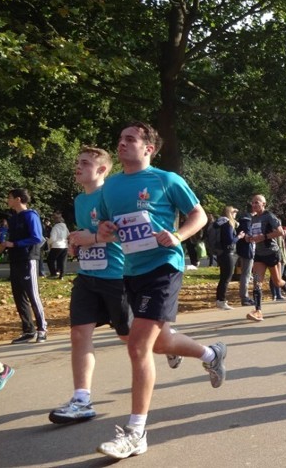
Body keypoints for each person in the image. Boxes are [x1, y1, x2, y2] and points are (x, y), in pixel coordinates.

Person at [95, 121, 226, 459]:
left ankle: (136, 433)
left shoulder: (166, 180)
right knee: (158, 342)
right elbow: (107, 226)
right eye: (120, 139)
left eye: (130, 139)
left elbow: (199, 215)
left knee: (138, 345)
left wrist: (178, 236)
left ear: (148, 148)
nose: (122, 143)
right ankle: (211, 355)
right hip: (131, 270)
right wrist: (105, 229)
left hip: (164, 267)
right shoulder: (111, 186)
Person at [48, 146, 183, 425]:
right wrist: (77, 244)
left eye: (85, 163)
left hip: (116, 275)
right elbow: (88, 233)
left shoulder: (112, 193)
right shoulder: (79, 200)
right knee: (79, 333)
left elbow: (123, 232)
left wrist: (94, 238)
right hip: (88, 275)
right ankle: (81, 399)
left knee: (130, 337)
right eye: (77, 162)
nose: (78, 167)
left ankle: (167, 343)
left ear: (102, 170)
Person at [0, 188, 47, 344]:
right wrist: (3, 246)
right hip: (15, 260)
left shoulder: (30, 215)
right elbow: (11, 240)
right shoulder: (13, 218)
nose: (8, 200)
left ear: (18, 199)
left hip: (28, 259)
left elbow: (37, 237)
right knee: (19, 296)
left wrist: (15, 244)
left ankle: (42, 329)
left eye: (10, 197)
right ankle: (28, 331)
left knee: (33, 295)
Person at [244, 194, 286, 322]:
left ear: (264, 204)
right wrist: (249, 238)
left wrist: (264, 237)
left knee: (277, 282)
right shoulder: (253, 218)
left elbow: (280, 232)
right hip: (259, 255)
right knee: (257, 283)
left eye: (257, 202)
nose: (254, 204)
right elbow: (253, 233)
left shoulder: (269, 216)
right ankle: (258, 311)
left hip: (272, 253)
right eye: (253, 202)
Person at [214, 206, 244, 310]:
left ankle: (220, 300)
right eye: (234, 212)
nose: (236, 214)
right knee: (226, 278)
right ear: (230, 213)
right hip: (228, 254)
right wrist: (239, 237)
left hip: (221, 253)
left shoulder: (220, 223)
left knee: (223, 278)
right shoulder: (228, 224)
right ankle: (221, 300)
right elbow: (230, 241)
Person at [235, 211, 255, 306]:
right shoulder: (247, 221)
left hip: (245, 250)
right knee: (246, 274)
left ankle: (245, 297)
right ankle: (244, 297)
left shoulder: (242, 221)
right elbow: (248, 237)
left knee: (246, 274)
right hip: (247, 251)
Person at [47, 211, 70, 279]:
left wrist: (48, 242)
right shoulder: (65, 227)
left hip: (56, 246)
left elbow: (53, 238)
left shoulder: (55, 227)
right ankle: (61, 275)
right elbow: (68, 235)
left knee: (50, 260)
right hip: (64, 245)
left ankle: (53, 273)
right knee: (62, 261)